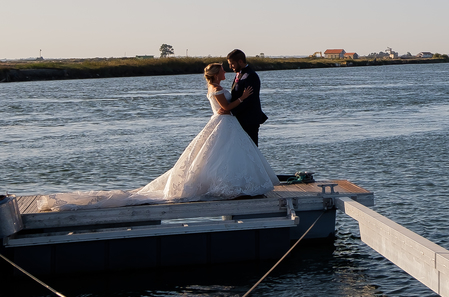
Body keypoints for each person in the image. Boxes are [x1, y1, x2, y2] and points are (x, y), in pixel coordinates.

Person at [37, 63, 276, 211]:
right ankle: (229, 187)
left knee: (221, 158)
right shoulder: (215, 89)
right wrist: (242, 98)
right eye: (222, 69)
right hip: (223, 122)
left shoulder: (214, 87)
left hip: (225, 125)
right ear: (216, 75)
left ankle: (236, 185)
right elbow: (224, 109)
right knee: (220, 157)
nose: (225, 70)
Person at [227, 49, 268, 146]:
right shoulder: (240, 74)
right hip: (240, 119)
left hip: (249, 119)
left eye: (232, 63)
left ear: (240, 61)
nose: (230, 66)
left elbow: (249, 100)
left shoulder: (250, 76)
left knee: (251, 148)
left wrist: (231, 112)